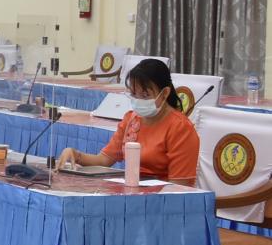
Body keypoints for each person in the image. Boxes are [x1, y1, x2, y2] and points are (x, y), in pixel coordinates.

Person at [59, 58, 200, 183]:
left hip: (162, 197)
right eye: (134, 94)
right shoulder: (131, 119)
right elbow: (104, 160)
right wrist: (76, 155)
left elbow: (181, 186)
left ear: (164, 93)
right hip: (131, 189)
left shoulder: (181, 128)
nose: (138, 100)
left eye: (145, 95)